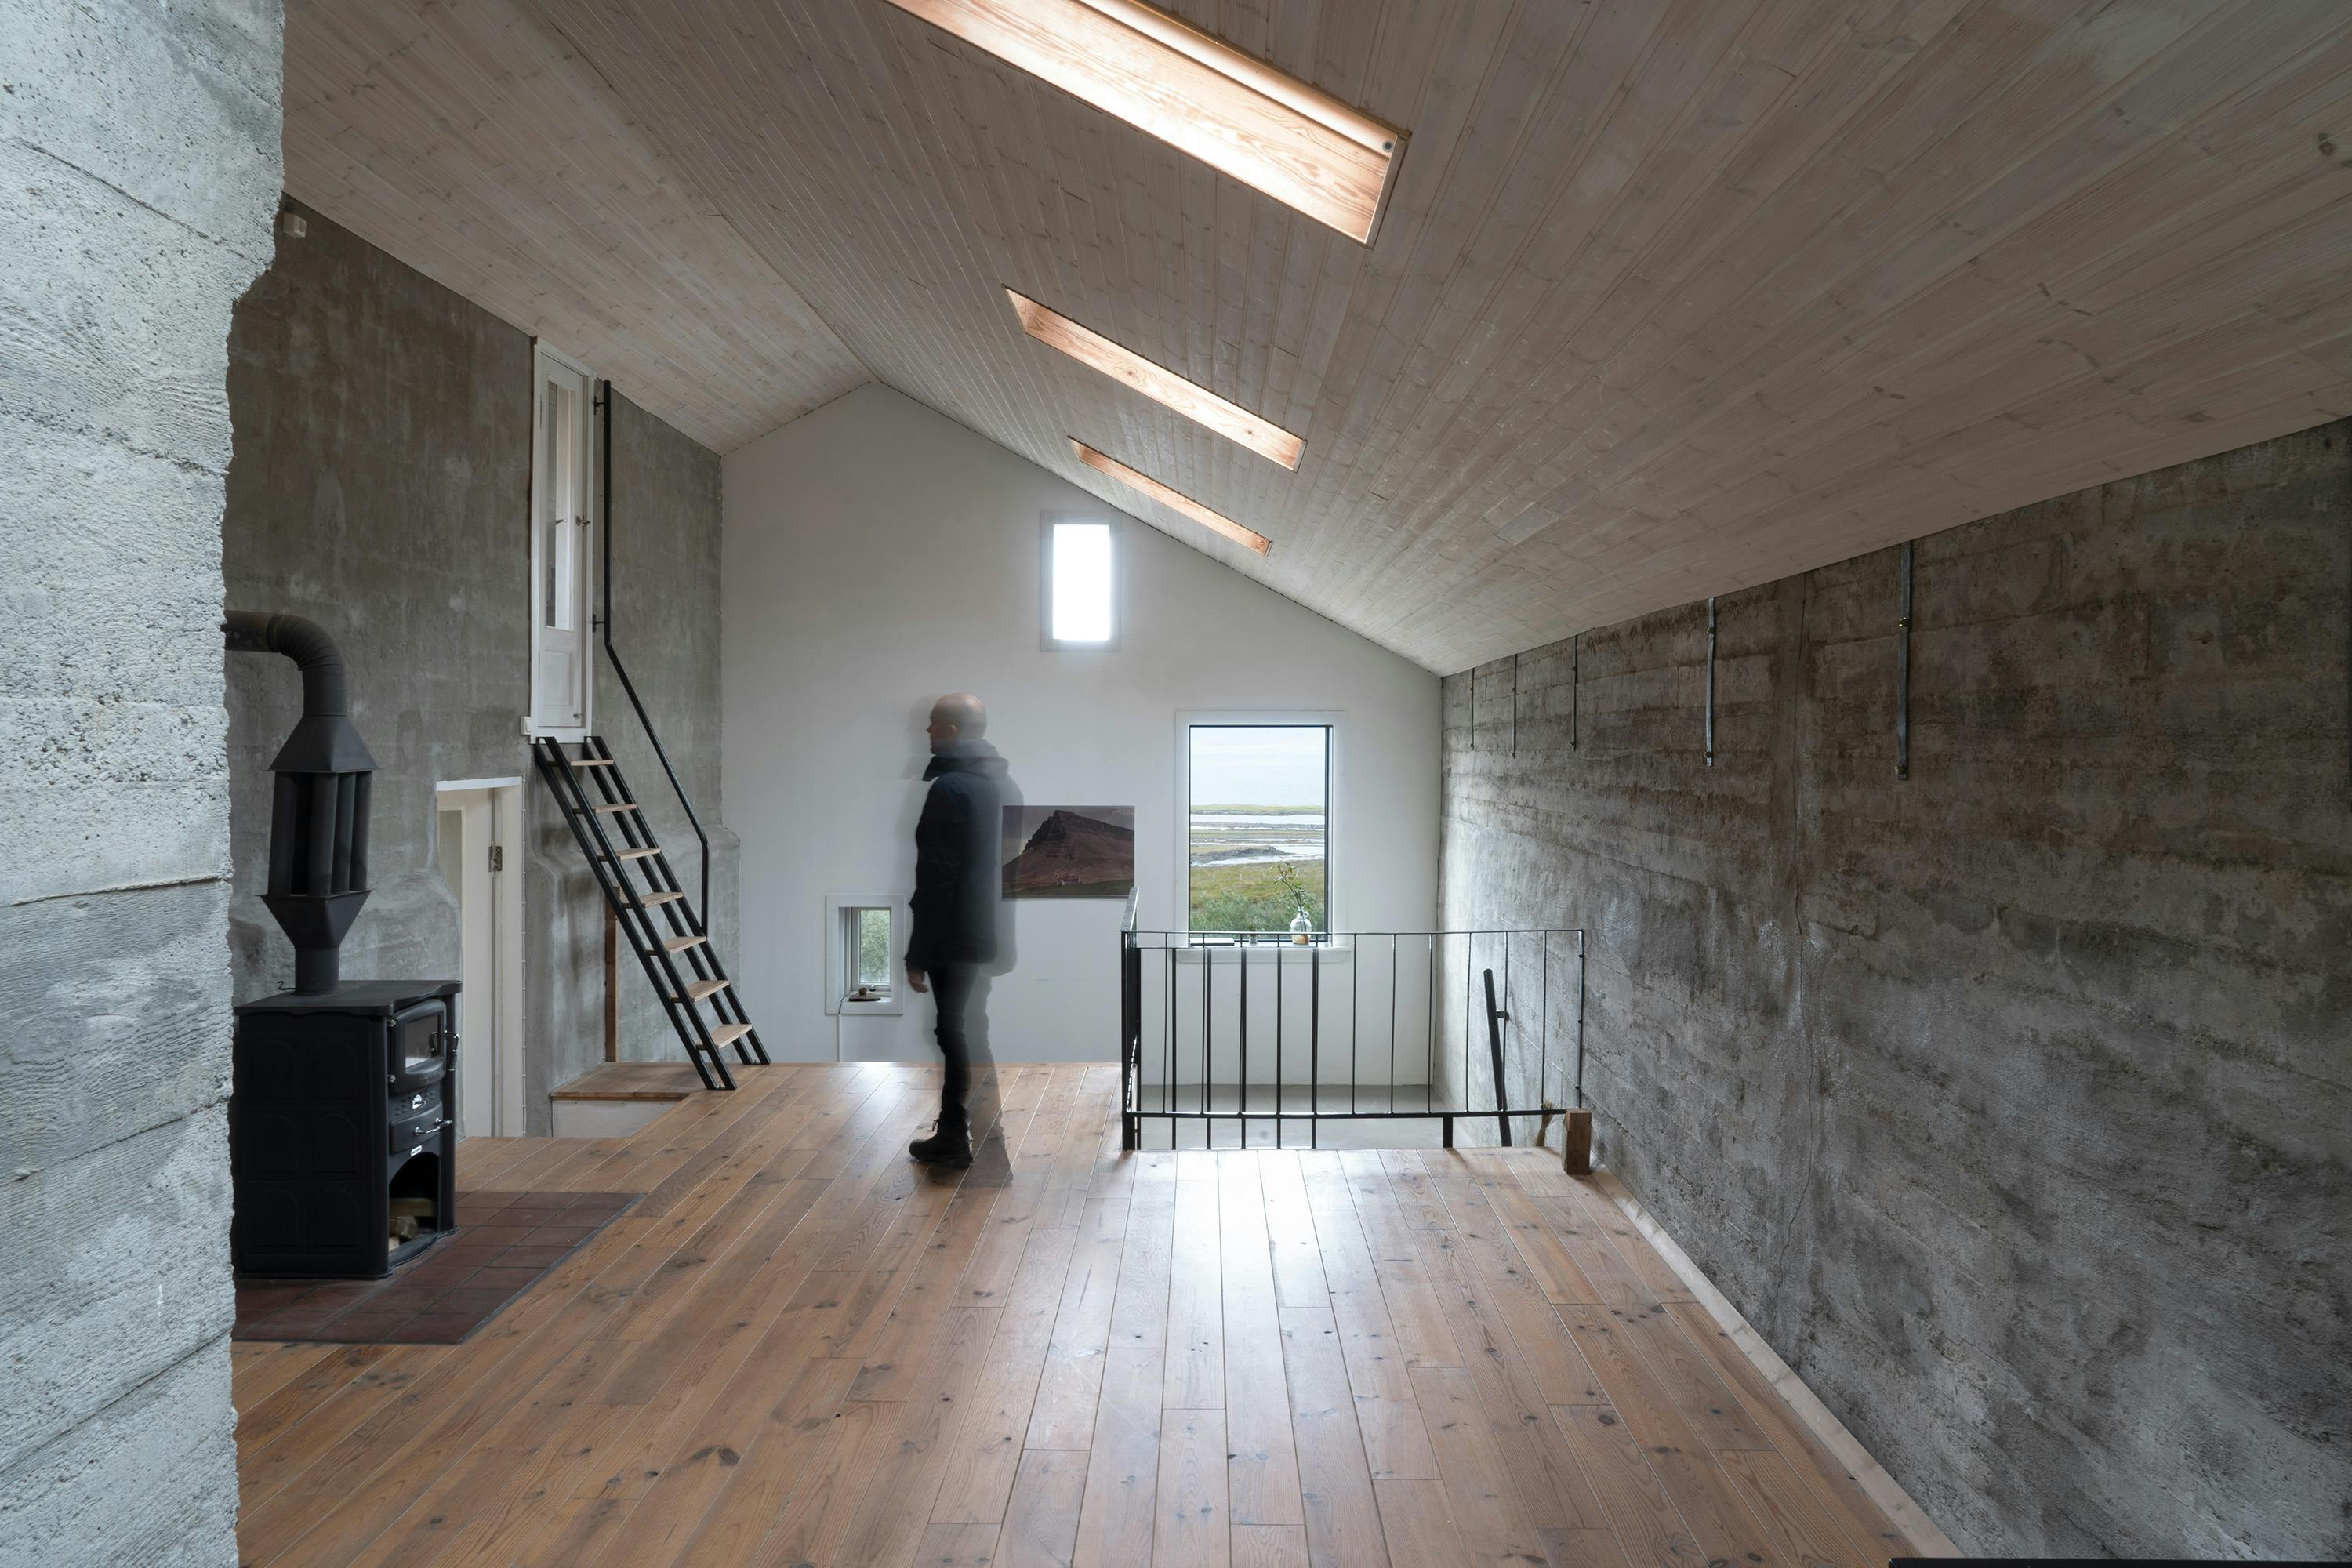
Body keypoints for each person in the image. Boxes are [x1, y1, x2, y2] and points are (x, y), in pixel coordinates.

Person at [905, 692, 1012, 1169]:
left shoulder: (951, 789)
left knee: (954, 1032)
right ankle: (980, 1134)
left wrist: (917, 953)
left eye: (933, 723)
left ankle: (960, 1137)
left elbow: (936, 878)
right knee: (970, 1030)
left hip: (954, 937)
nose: (927, 731)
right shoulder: (1005, 784)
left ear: (950, 731)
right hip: (987, 935)